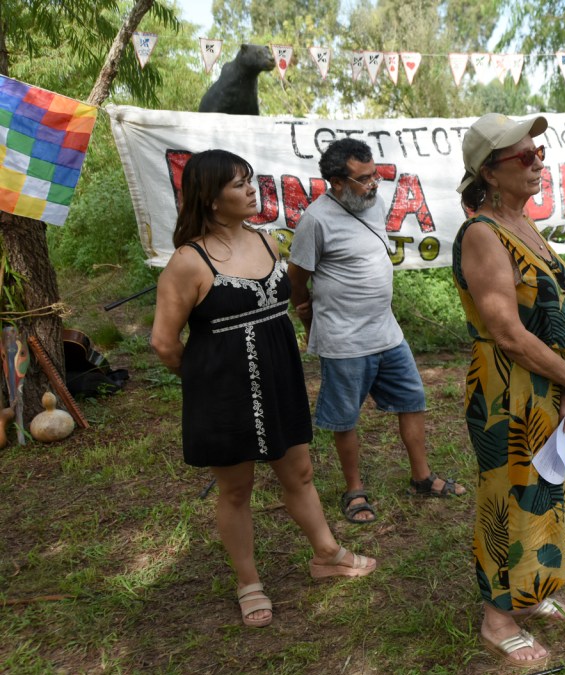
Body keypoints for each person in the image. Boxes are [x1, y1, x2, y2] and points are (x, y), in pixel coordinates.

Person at [151, 150, 376, 629]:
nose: (251, 190)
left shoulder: (267, 240)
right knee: (236, 489)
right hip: (222, 392)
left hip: (279, 378)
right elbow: (164, 343)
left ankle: (327, 554)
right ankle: (248, 582)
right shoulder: (188, 262)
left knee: (300, 473)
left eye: (249, 180)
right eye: (238, 184)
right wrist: (205, 381)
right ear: (211, 199)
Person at [452, 113, 565, 668]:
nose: (538, 163)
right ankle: (497, 618)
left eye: (540, 153)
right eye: (524, 156)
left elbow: (556, 312)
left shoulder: (525, 225)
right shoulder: (482, 235)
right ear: (489, 171)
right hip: (507, 388)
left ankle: (530, 592)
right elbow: (508, 333)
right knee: (508, 497)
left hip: (545, 382)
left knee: (544, 489)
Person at [288, 138, 465, 525]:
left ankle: (421, 478)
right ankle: (354, 490)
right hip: (344, 340)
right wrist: (308, 319)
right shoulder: (315, 220)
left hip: (387, 332)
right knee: (344, 418)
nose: (373, 185)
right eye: (364, 179)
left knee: (412, 399)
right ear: (337, 182)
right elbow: (296, 279)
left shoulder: (374, 204)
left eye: (375, 176)